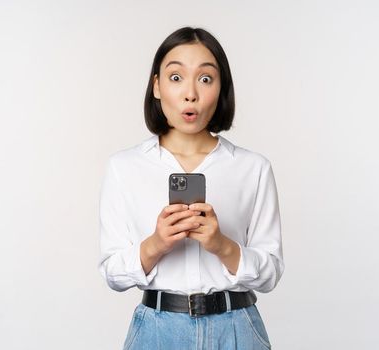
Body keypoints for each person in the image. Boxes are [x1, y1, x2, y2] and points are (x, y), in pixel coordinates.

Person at [98, 26, 284, 350]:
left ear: (220, 88)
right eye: (175, 77)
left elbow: (270, 274)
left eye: (206, 78)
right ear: (156, 86)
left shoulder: (253, 168)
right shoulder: (124, 168)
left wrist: (221, 244)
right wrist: (156, 244)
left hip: (237, 329)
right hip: (157, 330)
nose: (191, 94)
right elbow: (112, 272)